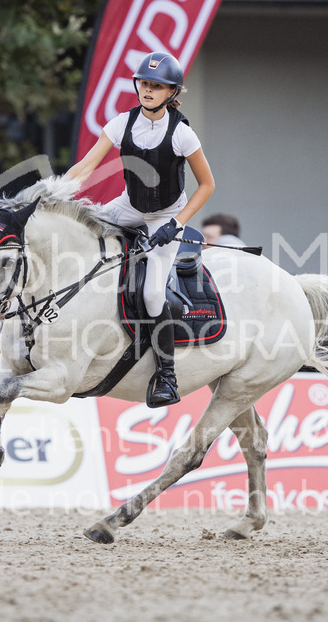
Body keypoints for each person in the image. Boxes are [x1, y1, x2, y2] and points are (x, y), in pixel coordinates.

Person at [67, 51, 215, 408]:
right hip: (128, 206)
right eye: (144, 84)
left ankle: (166, 374)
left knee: (152, 294)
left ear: (171, 92)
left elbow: (207, 186)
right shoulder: (121, 123)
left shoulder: (182, 133)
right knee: (82, 238)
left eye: (156, 86)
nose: (148, 91)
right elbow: (86, 167)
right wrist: (52, 192)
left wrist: (176, 224)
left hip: (168, 214)